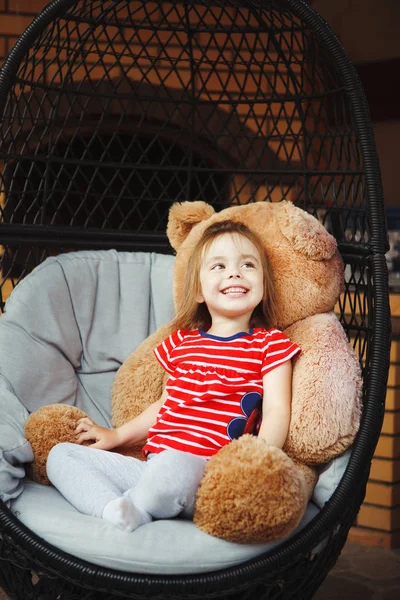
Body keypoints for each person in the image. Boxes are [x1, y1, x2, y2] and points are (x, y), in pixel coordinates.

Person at [46, 219, 301, 532]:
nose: (234, 272)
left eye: (248, 264)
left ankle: (137, 506)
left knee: (173, 466)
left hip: (206, 475)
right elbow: (164, 408)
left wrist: (256, 464)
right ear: (197, 291)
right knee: (61, 457)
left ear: (263, 285)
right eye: (218, 266)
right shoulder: (183, 343)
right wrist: (116, 436)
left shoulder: (268, 344)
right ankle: (113, 509)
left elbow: (277, 409)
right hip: (152, 468)